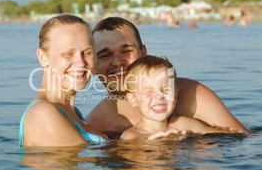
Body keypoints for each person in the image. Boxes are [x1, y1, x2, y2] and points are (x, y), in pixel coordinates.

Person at [87, 16, 249, 138]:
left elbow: (242, 138)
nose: (118, 62)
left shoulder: (192, 95)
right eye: (105, 55)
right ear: (93, 65)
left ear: (143, 53)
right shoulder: (96, 125)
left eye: (126, 51)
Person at [19, 14, 108, 148]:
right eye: (68, 54)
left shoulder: (71, 113)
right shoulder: (43, 114)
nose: (80, 62)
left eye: (87, 52)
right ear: (43, 58)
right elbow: (81, 167)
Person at [120, 55, 243, 140]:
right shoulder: (131, 136)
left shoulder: (183, 124)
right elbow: (131, 163)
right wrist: (152, 145)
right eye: (149, 91)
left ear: (176, 95)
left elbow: (227, 136)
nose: (159, 96)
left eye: (166, 90)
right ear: (133, 99)